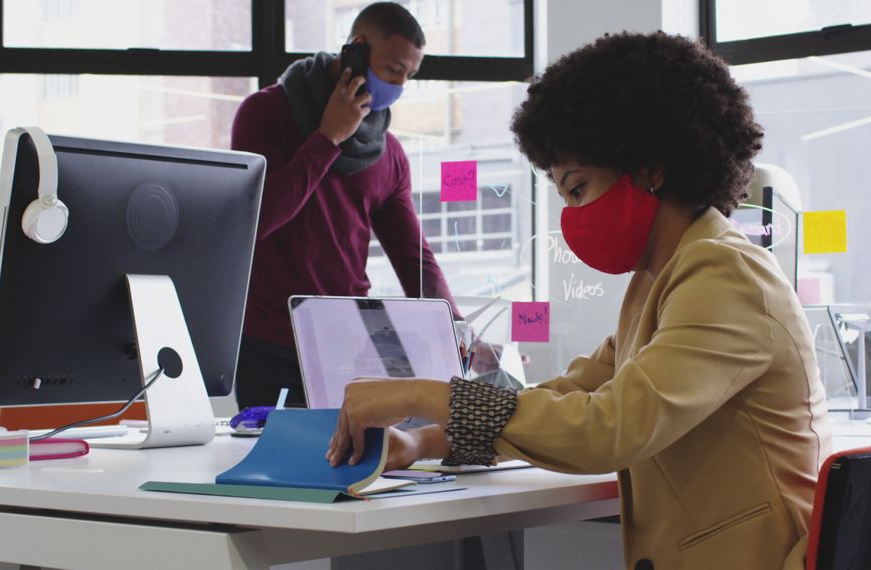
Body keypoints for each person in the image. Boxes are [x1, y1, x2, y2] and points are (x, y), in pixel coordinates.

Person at [326, 32, 833, 569]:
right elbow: (570, 394)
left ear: (650, 167)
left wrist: (422, 395)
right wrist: (424, 442)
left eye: (579, 188)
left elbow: (605, 429)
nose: (571, 215)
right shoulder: (662, 279)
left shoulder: (723, 274)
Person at [230, 2, 460, 409]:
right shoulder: (264, 112)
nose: (399, 85)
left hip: (348, 341)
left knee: (354, 465)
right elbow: (258, 219)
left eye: (410, 75)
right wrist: (327, 138)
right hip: (268, 339)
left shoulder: (387, 153)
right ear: (356, 47)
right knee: (274, 467)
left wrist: (456, 326)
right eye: (392, 69)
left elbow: (413, 257)